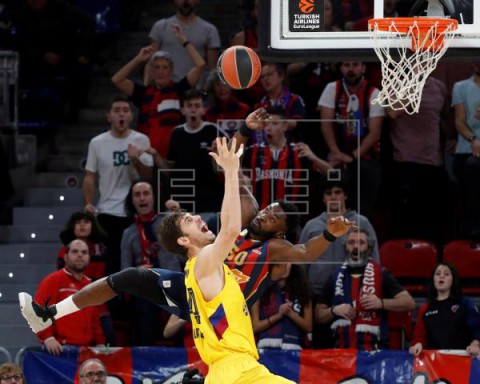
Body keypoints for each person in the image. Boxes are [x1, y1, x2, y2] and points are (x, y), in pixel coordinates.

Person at [19, 109, 353, 338]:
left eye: (273, 217)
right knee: (128, 277)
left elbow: (307, 250)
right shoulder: (248, 209)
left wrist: (327, 233)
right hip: (195, 290)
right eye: (269, 208)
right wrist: (244, 130)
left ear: (278, 230)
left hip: (225, 308)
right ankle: (49, 314)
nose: (265, 214)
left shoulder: (272, 247)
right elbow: (229, 166)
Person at [157, 136, 294, 382]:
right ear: (184, 241)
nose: (198, 218)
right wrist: (231, 171)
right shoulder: (203, 261)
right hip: (236, 372)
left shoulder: (199, 269)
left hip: (229, 371)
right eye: (189, 221)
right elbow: (231, 228)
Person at [112, 23, 205, 158]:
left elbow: (200, 65)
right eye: (156, 67)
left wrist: (183, 40)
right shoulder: (143, 93)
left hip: (172, 157)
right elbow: (116, 80)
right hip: (145, 156)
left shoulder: (179, 90)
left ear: (171, 70)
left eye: (164, 67)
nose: (160, 71)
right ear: (152, 70)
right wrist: (138, 59)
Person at [83, 97, 153, 275]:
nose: (121, 113)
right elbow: (90, 175)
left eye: (125, 110)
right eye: (117, 110)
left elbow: (148, 176)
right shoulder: (97, 143)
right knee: (112, 262)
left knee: (138, 260)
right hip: (107, 211)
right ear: (109, 116)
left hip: (135, 210)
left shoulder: (141, 139)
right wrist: (89, 202)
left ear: (131, 116)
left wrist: (135, 159)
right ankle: (113, 302)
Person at [315, 229, 415, 350]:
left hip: (375, 353)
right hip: (341, 353)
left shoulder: (381, 274)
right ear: (345, 247)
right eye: (351, 242)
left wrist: (381, 303)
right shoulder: (334, 276)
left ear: (369, 248)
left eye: (361, 242)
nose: (355, 246)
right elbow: (318, 315)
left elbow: (409, 302)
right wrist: (334, 310)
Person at [386, 75, 450, 244]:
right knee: (405, 220)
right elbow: (392, 112)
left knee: (432, 219)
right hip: (406, 160)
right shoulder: (396, 84)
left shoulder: (440, 86)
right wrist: (414, 87)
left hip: (434, 162)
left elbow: (443, 118)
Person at [319, 61, 385, 222]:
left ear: (363, 68)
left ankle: (361, 242)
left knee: (364, 210)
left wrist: (353, 156)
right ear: (340, 68)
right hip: (337, 157)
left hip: (365, 159)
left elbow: (375, 133)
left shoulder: (374, 92)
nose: (351, 69)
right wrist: (337, 153)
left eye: (355, 65)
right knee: (335, 209)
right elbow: (325, 124)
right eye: (346, 65)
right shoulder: (332, 89)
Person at [121, 179, 183, 345]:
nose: (142, 198)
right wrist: (136, 270)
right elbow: (124, 268)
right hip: (146, 289)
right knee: (143, 314)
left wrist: (180, 215)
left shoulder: (168, 223)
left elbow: (189, 247)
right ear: (132, 200)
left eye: (146, 193)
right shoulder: (128, 233)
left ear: (154, 198)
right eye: (137, 195)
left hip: (173, 284)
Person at [242, 106, 331, 210]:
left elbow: (332, 174)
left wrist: (314, 158)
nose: (269, 128)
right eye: (266, 124)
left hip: (290, 220)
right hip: (259, 218)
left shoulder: (298, 152)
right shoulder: (252, 151)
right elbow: (220, 168)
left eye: (274, 123)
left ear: (285, 126)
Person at [35, 239, 106, 355]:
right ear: (65, 257)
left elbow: (95, 320)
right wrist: (47, 337)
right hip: (59, 351)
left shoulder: (91, 286)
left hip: (85, 352)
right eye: (75, 251)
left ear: (89, 257)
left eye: (84, 252)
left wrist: (100, 343)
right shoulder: (53, 280)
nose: (80, 255)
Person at [409, 262, 480, 357]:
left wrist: (475, 344)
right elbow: (419, 336)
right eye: (437, 274)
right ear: (433, 279)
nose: (441, 276)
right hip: (433, 363)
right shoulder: (425, 308)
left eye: (446, 274)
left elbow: (477, 328)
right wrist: (418, 344)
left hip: (462, 360)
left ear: (453, 280)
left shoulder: (464, 303)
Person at [147, 0, 221, 89]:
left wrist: (204, 90)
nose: (186, 1)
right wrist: (147, 88)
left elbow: (212, 69)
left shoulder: (210, 30)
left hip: (195, 91)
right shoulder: (160, 26)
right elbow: (151, 62)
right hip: (165, 90)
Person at [251, 264, 312, 350]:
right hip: (265, 348)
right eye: (280, 263)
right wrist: (278, 316)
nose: (285, 267)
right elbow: (255, 327)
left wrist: (290, 313)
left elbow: (308, 327)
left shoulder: (302, 291)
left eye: (288, 263)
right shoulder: (259, 291)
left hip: (294, 348)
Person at [451, 64, 480, 239]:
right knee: (472, 167)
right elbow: (459, 121)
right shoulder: (460, 87)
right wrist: (473, 139)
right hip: (467, 151)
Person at [57, 211, 108, 281]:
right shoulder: (64, 251)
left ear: (93, 226)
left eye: (86, 222)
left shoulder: (101, 251)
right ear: (72, 226)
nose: (82, 225)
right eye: (78, 222)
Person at [204, 73, 251, 138]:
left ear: (232, 86)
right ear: (213, 88)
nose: (222, 89)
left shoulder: (244, 109)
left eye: (224, 84)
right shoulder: (208, 113)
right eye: (218, 85)